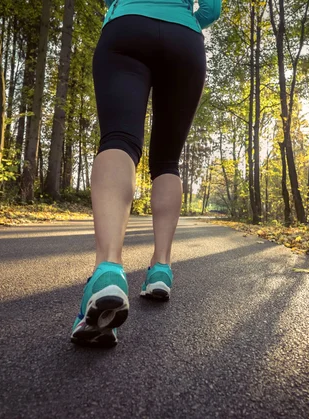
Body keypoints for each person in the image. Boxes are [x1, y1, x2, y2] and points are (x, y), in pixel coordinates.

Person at [70, 0, 222, 347]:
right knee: (167, 161)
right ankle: (161, 269)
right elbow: (212, 9)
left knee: (119, 139)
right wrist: (185, 19)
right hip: (184, 36)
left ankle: (108, 269)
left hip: (127, 29)